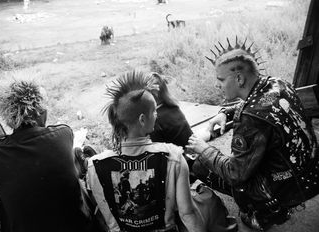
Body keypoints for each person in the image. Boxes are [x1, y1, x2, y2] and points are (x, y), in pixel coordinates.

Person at [187, 37, 319, 231]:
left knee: (200, 165)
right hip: (310, 172)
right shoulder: (278, 83)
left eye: (221, 80)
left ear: (239, 78)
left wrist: (203, 149)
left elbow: (235, 173)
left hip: (288, 187)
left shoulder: (251, 120)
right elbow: (258, 101)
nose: (218, 85)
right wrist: (225, 113)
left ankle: (265, 213)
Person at [86, 71, 206, 232]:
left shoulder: (94, 166)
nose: (157, 115)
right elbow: (188, 214)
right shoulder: (173, 157)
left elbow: (108, 217)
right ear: (142, 119)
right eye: (154, 111)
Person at [0, 80, 92, 232]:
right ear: (42, 112)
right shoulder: (63, 133)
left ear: (9, 118)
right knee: (78, 177)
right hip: (76, 226)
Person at [148, 72, 193, 148]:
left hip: (181, 157)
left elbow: (156, 149)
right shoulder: (174, 107)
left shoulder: (155, 119)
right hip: (193, 149)